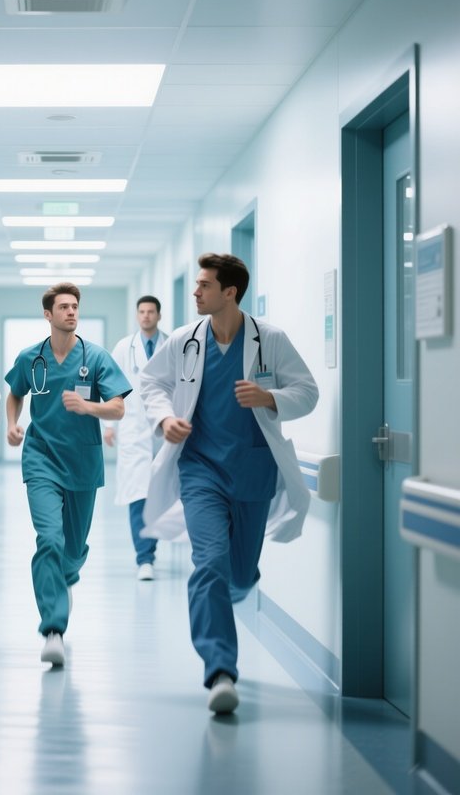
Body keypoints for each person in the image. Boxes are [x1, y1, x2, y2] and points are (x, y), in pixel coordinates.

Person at [140, 253, 318, 714]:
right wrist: (164, 419)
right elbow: (150, 383)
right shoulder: (184, 340)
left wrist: (270, 396)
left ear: (230, 292)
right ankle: (220, 670)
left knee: (238, 573)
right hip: (199, 470)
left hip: (253, 470)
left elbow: (308, 391)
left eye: (203, 286)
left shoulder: (270, 340)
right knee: (209, 563)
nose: (195, 293)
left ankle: (239, 584)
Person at [5, 282, 131, 667]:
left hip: (81, 463)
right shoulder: (31, 358)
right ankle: (53, 629)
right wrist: (12, 424)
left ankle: (66, 576)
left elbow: (118, 409)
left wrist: (88, 407)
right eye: (63, 307)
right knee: (49, 539)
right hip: (41, 459)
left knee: (71, 550)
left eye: (75, 306)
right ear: (48, 314)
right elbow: (14, 392)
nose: (71, 312)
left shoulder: (96, 358)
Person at [103, 295, 168, 580]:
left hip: (166, 431)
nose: (145, 316)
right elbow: (109, 386)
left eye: (150, 312)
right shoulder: (123, 348)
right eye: (141, 312)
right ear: (137, 315)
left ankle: (152, 548)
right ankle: (145, 557)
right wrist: (108, 424)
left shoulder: (173, 345)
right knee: (137, 495)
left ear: (158, 315)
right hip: (133, 431)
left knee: (162, 495)